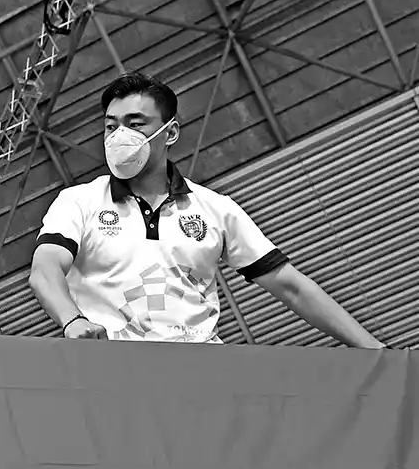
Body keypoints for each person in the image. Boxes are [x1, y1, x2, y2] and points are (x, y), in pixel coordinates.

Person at [30, 72, 383, 348]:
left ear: (170, 133)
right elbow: (45, 268)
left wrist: (375, 350)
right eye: (111, 126)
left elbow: (291, 286)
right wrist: (72, 320)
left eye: (135, 124)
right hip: (111, 376)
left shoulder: (216, 210)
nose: (119, 135)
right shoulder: (79, 201)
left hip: (202, 376)